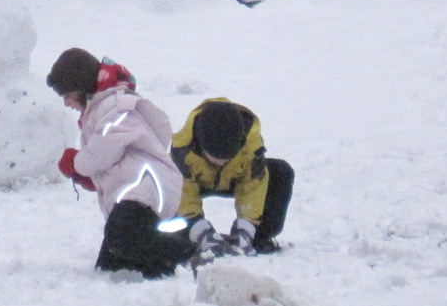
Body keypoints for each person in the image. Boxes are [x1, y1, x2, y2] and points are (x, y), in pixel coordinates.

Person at [46, 47, 191, 279]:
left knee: (121, 239)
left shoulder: (116, 107)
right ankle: (161, 264)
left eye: (67, 95)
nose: (66, 103)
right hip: (132, 192)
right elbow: (115, 157)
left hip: (144, 188)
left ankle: (191, 252)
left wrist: (76, 163)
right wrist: (92, 178)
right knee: (111, 268)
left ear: (81, 87)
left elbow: (103, 151)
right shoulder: (101, 110)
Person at [171, 98, 295, 259]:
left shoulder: (251, 147)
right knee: (160, 183)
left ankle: (257, 238)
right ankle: (182, 242)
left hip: (234, 179)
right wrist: (199, 230)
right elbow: (184, 194)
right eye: (215, 157)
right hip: (195, 184)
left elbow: (252, 187)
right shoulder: (183, 151)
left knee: (280, 171)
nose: (221, 162)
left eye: (228, 157)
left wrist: (246, 229)